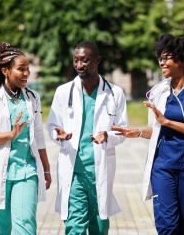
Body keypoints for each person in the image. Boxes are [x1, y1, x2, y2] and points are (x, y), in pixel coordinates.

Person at [111, 33, 184, 235]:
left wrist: (167, 122)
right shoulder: (158, 91)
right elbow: (156, 128)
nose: (162, 62)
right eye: (160, 58)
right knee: (167, 226)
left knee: (183, 226)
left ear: (182, 59)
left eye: (166, 57)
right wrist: (138, 132)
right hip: (162, 166)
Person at [46, 41, 128, 234]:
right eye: (76, 60)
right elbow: (52, 125)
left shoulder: (115, 93)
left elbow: (122, 130)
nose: (79, 65)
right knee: (74, 227)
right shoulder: (63, 92)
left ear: (97, 60)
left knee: (99, 227)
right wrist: (60, 135)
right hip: (74, 171)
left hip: (100, 168)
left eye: (85, 60)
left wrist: (107, 135)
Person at [0, 42, 51, 235]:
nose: (26, 73)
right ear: (5, 71)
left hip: (27, 170)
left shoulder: (33, 98)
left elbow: (39, 135)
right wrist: (10, 134)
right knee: (0, 229)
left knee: (25, 225)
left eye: (27, 69)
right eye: (21, 69)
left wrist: (47, 169)